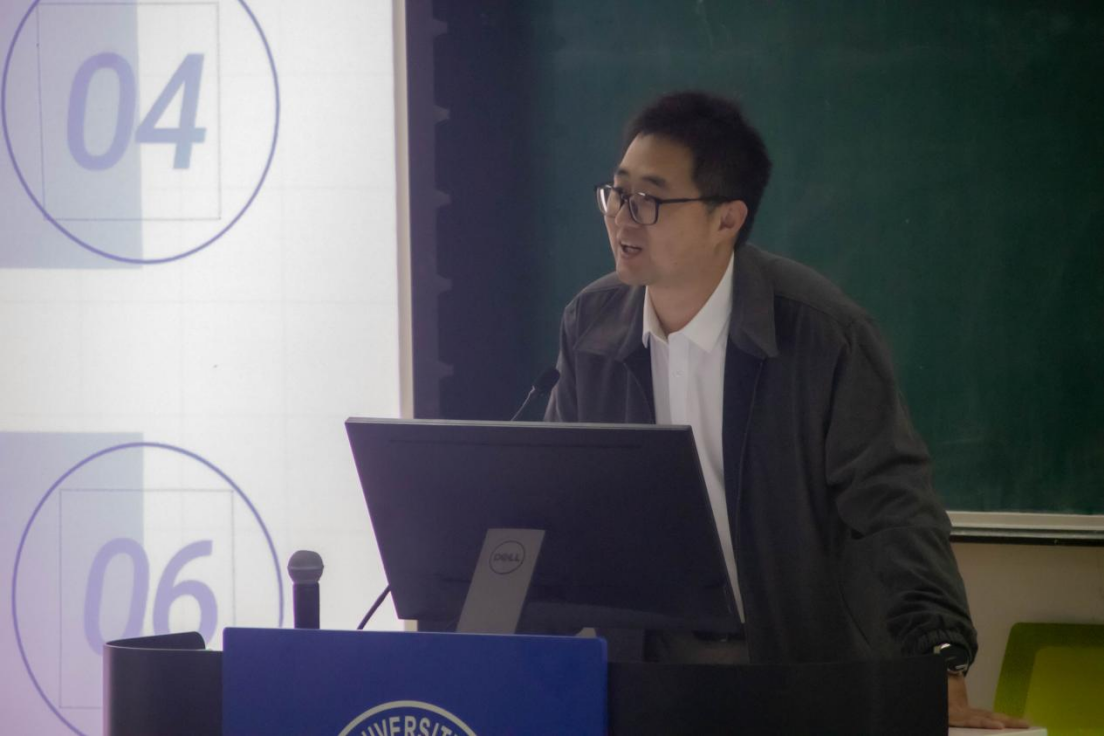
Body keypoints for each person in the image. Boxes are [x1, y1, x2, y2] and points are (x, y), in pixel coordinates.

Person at [544, 90, 1028, 729]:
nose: (622, 218)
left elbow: (894, 507)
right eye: (618, 192)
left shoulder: (824, 335)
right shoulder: (591, 325)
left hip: (803, 668)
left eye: (649, 200)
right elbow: (558, 501)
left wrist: (938, 661)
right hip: (646, 672)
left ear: (727, 219)